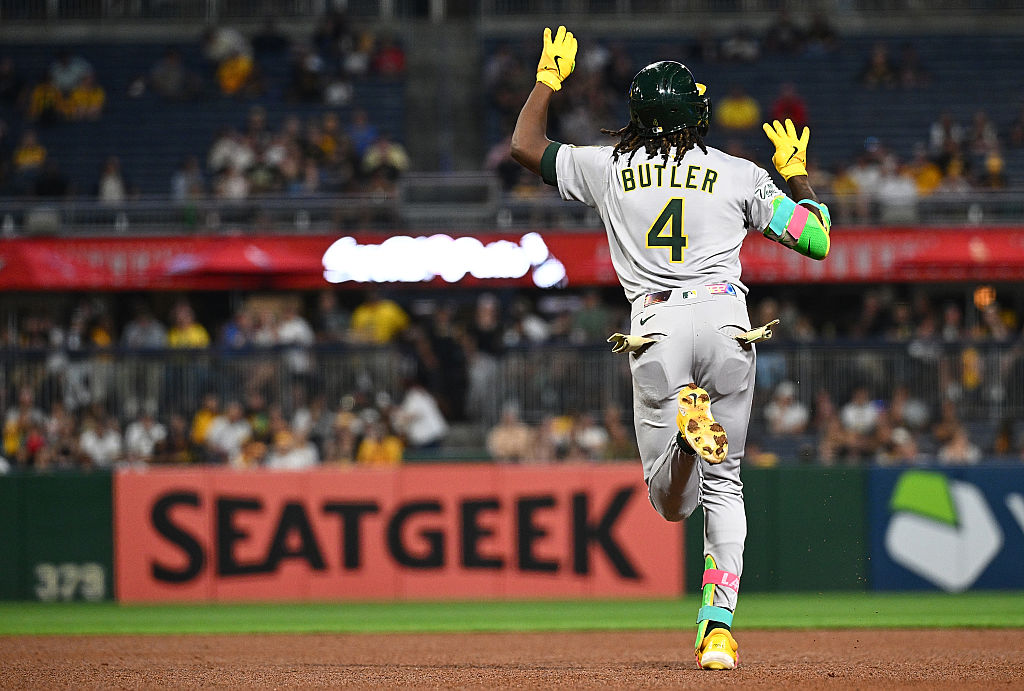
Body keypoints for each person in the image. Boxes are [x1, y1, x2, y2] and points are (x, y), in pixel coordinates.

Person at [509, 26, 831, 671]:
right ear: (694, 114)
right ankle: (717, 630)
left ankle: (686, 440)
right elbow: (817, 241)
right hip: (726, 320)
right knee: (728, 483)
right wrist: (797, 178)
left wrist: (548, 80)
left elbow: (525, 146)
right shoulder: (739, 173)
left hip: (656, 325)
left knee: (669, 503)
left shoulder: (607, 168)